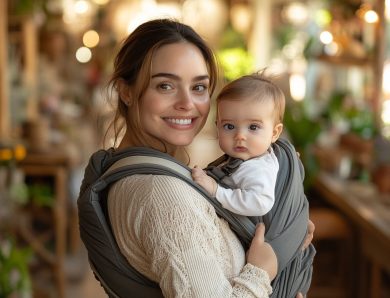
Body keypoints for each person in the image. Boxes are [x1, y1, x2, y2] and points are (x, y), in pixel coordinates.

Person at [78, 18, 314, 297]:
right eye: (165, 86)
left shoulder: (146, 174)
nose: (187, 104)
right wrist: (263, 270)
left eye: (199, 87)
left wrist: (285, 236)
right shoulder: (162, 194)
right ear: (125, 91)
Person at [192, 73, 284, 217]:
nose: (240, 136)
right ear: (218, 127)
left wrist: (216, 190)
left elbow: (260, 203)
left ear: (274, 133)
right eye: (229, 126)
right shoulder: (246, 159)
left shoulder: (259, 169)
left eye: (253, 127)